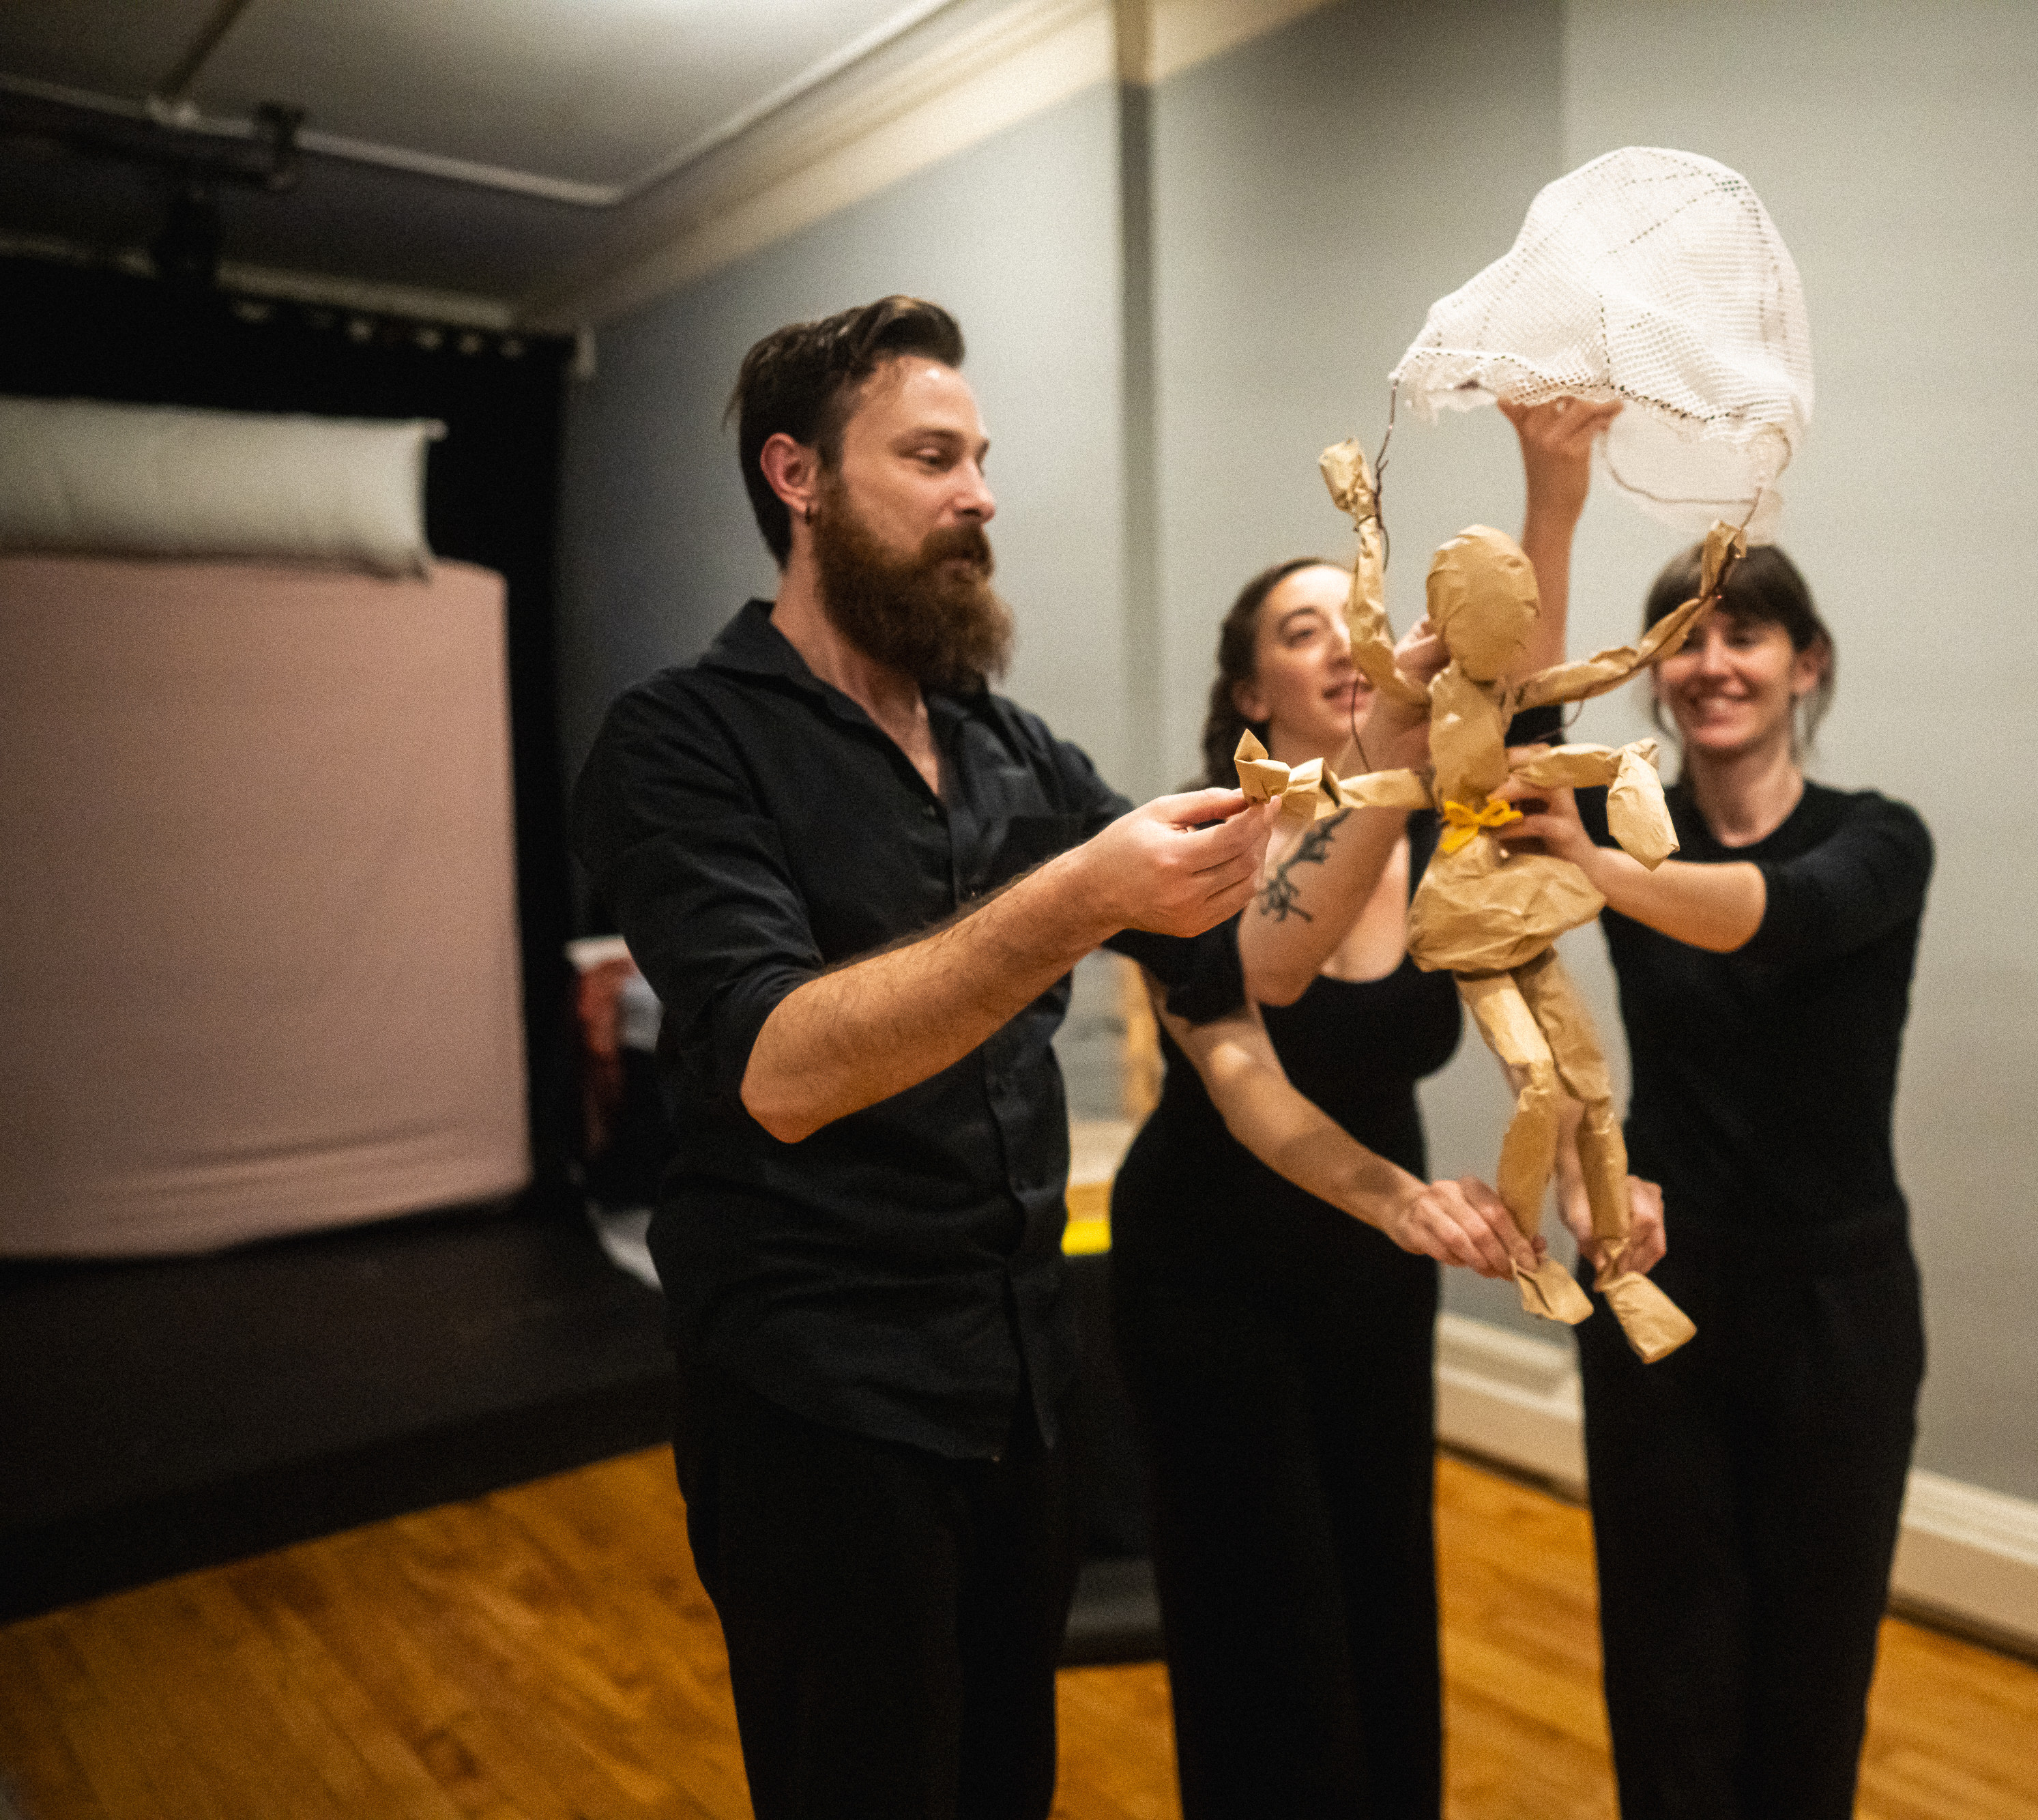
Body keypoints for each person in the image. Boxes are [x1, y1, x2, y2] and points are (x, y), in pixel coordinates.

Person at [570, 296, 1526, 1820]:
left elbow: (1230, 1012)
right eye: (933, 456)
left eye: (982, 457)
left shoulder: (1011, 752)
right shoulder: (682, 743)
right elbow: (778, 1066)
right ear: (796, 477)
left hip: (1017, 1390)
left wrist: (1382, 1192)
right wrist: (1081, 891)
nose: (981, 496)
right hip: (821, 1402)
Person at [1105, 399, 1618, 1820]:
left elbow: (1519, 687)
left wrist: (1552, 488)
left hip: (1371, 1278)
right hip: (1207, 1277)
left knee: (1385, 1603)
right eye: (1297, 626)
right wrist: (1400, 1197)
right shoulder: (1191, 854)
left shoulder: (1433, 817)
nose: (1339, 638)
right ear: (1247, 693)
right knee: (1268, 1644)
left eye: (1355, 615)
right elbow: (1255, 1044)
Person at [1500, 528, 1934, 1820]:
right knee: (1667, 1668)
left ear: (1808, 664)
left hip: (1838, 1311)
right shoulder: (1632, 835)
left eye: (1743, 634)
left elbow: (1773, 916)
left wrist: (1595, 867)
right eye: (1683, 638)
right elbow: (1521, 725)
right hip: (1661, 1293)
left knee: (1813, 1675)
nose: (1710, 664)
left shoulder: (1880, 841)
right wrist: (1583, 1170)